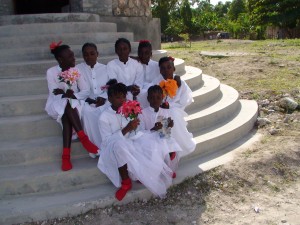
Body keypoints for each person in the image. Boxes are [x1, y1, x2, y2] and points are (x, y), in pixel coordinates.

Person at [97, 82, 173, 201]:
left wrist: (142, 129)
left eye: (123, 97)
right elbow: (107, 142)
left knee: (151, 138)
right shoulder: (104, 117)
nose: (122, 100)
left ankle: (144, 171)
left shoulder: (128, 110)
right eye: (118, 97)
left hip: (130, 141)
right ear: (110, 99)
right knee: (120, 145)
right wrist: (127, 129)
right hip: (112, 148)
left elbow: (137, 132)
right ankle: (126, 182)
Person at [45, 42, 99, 171]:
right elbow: (54, 92)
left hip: (73, 103)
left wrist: (73, 95)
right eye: (69, 57)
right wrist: (64, 94)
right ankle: (83, 138)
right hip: (56, 103)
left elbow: (85, 91)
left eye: (73, 55)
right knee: (66, 104)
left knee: (67, 111)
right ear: (60, 59)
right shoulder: (51, 72)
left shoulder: (75, 70)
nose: (74, 58)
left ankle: (66, 156)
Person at [139, 85, 183, 176]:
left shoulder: (165, 112)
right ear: (148, 98)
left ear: (162, 98)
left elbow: (165, 132)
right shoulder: (142, 113)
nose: (155, 100)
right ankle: (155, 170)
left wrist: (169, 126)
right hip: (148, 139)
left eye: (158, 98)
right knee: (156, 145)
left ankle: (167, 167)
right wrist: (153, 129)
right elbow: (141, 132)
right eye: (152, 98)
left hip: (162, 136)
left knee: (166, 142)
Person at [158, 56, 196, 158]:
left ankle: (175, 146)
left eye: (169, 67)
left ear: (174, 69)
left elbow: (185, 100)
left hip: (176, 110)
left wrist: (170, 105)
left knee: (172, 114)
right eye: (163, 68)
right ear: (160, 71)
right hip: (161, 110)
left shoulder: (180, 83)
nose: (166, 70)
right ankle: (167, 147)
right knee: (162, 115)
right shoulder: (158, 82)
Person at [76, 43, 110, 152]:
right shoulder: (78, 69)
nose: (89, 57)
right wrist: (89, 100)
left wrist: (103, 97)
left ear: (97, 54)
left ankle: (108, 146)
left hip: (104, 100)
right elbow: (78, 89)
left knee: (108, 111)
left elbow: (110, 87)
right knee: (87, 113)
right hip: (87, 101)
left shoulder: (105, 68)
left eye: (92, 54)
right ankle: (95, 149)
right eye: (86, 54)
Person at [133, 40, 181, 108]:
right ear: (138, 53)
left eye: (146, 53)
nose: (143, 56)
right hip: (139, 96)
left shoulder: (156, 65)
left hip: (155, 97)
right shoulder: (134, 65)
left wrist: (176, 76)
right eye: (141, 53)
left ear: (151, 54)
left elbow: (167, 73)